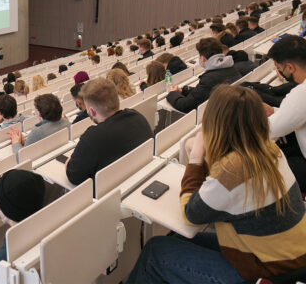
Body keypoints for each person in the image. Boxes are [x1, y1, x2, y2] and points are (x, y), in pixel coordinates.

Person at [127, 84, 306, 284]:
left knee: (155, 252)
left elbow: (191, 214)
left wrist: (195, 159)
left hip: (265, 270)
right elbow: (227, 188)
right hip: (290, 257)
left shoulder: (232, 170)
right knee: (177, 240)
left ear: (215, 122)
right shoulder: (268, 148)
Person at [65, 78, 153, 185]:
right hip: (144, 179)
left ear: (91, 111)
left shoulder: (92, 138)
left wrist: (70, 160)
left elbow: (74, 176)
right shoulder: (137, 116)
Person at [265, 35, 306, 192]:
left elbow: (269, 130)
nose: (280, 73)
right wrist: (275, 111)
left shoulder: (301, 93)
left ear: (290, 67)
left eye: (279, 69)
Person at [166, 38, 241, 113]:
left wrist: (172, 93)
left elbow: (185, 105)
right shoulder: (231, 67)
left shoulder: (209, 79)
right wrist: (183, 90)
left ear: (202, 58)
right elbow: (203, 93)